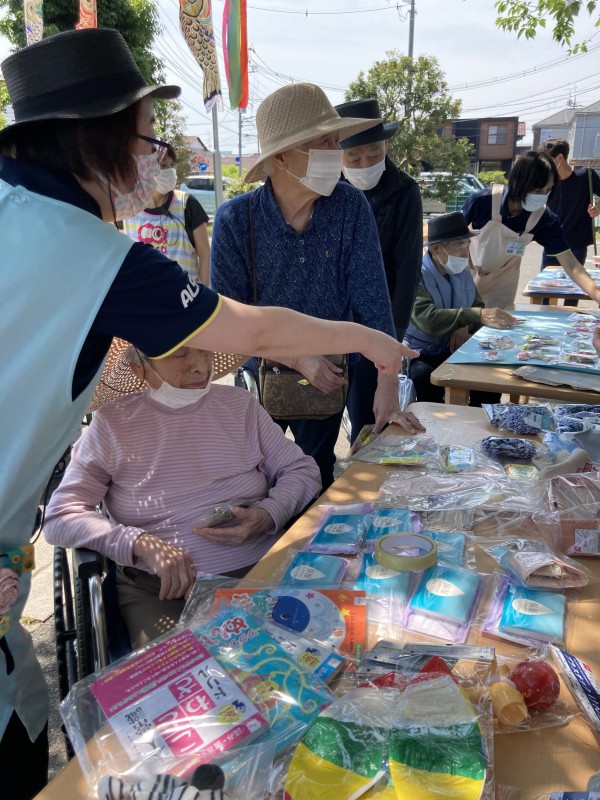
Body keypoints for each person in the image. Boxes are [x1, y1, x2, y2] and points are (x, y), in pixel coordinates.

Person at [0, 30, 410, 800]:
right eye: (148, 141)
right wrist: (371, 344)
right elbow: (248, 329)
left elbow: (289, 454)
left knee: (23, 723)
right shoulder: (92, 256)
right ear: (95, 141)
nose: (154, 162)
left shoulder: (19, 213)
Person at [211, 83, 423, 489]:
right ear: (281, 157)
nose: (335, 150)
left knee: (316, 476)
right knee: (255, 481)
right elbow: (229, 323)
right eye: (323, 142)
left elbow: (374, 304)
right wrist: (299, 358)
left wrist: (387, 384)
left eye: (335, 140)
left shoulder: (349, 207)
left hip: (330, 379)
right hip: (263, 377)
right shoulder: (236, 220)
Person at [44, 342, 321, 649]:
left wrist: (269, 513)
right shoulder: (112, 424)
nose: (201, 366)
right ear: (139, 367)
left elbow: (301, 469)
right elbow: (61, 517)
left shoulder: (240, 406)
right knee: (186, 671)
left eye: (206, 349)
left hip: (264, 568)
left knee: (315, 650)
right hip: (164, 591)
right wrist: (140, 543)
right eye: (178, 354)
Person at [335, 98, 423, 438]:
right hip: (329, 325)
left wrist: (390, 344)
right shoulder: (327, 189)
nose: (365, 163)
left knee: (370, 420)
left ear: (386, 146)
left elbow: (407, 272)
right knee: (322, 421)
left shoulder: (405, 192)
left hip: (377, 324)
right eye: (354, 157)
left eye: (374, 153)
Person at [461, 151, 600, 309]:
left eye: (548, 190)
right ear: (517, 183)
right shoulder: (482, 201)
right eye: (537, 190)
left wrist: (597, 295)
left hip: (501, 284)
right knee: (463, 319)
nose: (543, 196)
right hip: (466, 275)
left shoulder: (544, 219)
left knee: (498, 320)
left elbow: (571, 265)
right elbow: (448, 239)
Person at [405, 212, 518, 405]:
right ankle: (435, 421)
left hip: (455, 347)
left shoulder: (463, 273)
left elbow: (477, 306)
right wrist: (475, 316)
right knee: (423, 376)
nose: (466, 254)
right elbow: (428, 319)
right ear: (437, 248)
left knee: (490, 376)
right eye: (459, 247)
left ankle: (480, 419)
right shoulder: (415, 275)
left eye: (467, 246)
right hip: (421, 351)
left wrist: (465, 326)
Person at [122, 144, 211, 283]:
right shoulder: (129, 209)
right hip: (146, 292)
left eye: (172, 165)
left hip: (186, 294)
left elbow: (205, 254)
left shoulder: (187, 203)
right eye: (163, 165)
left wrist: (204, 291)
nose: (169, 171)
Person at [539, 138, 600, 306]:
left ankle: (570, 322)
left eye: (547, 160)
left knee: (573, 291)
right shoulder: (547, 180)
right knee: (545, 291)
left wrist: (597, 209)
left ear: (559, 158)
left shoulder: (585, 175)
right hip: (551, 241)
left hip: (577, 242)